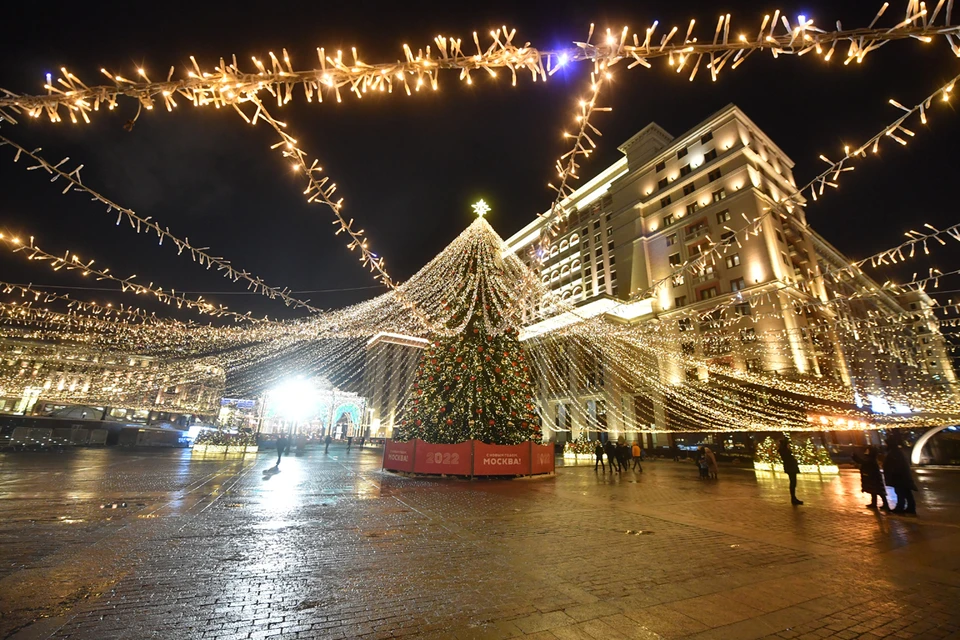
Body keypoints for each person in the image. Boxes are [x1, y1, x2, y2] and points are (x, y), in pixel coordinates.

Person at [883, 434, 917, 515]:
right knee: (906, 492)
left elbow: (894, 465)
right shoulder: (896, 452)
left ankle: (901, 507)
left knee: (901, 492)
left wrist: (893, 473)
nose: (885, 445)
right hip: (901, 476)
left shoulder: (894, 453)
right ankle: (910, 508)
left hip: (899, 477)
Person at [853, 446, 889, 510]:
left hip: (874, 477)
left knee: (878, 491)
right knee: (874, 491)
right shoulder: (871, 458)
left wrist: (855, 457)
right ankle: (875, 503)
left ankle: (884, 504)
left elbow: (863, 462)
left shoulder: (871, 459)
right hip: (873, 477)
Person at [778, 437, 802, 505]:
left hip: (789, 467)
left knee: (793, 482)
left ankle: (793, 498)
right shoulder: (785, 451)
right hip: (790, 467)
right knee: (793, 482)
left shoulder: (783, 450)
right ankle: (793, 498)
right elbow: (788, 458)